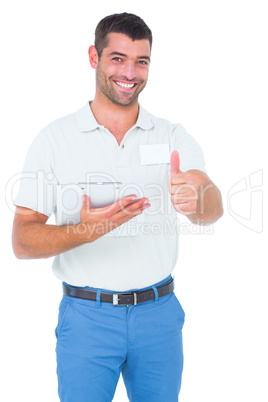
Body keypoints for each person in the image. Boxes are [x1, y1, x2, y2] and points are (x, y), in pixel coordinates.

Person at [12, 12, 223, 402]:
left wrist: (199, 200)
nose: (130, 72)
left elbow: (211, 204)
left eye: (141, 61)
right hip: (87, 317)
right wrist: (87, 230)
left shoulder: (172, 134)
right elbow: (22, 240)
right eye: (118, 58)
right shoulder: (54, 139)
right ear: (94, 57)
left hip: (158, 316)